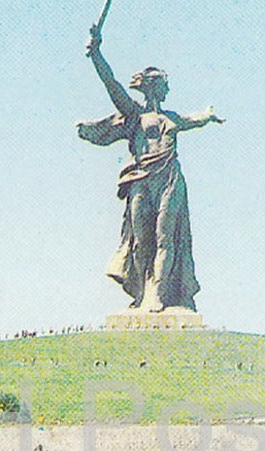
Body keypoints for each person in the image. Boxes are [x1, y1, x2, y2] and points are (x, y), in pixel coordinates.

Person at [78, 26, 223, 313]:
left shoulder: (173, 118)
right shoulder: (134, 114)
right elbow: (112, 85)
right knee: (142, 239)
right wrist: (96, 54)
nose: (168, 90)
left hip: (169, 179)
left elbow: (195, 119)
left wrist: (207, 116)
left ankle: (157, 293)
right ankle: (144, 289)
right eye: (165, 85)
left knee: (165, 236)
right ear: (154, 86)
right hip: (141, 179)